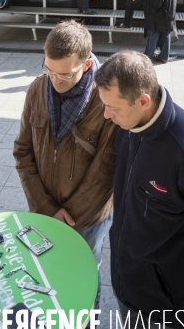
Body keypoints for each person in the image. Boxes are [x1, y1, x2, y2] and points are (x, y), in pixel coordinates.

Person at [95, 50, 184, 329]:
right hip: (130, 286)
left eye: (112, 107)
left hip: (172, 304)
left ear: (143, 101)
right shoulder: (129, 124)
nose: (106, 115)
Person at [14, 20, 117, 309]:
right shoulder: (38, 88)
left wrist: (70, 217)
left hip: (86, 220)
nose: (55, 81)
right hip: (45, 210)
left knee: (85, 278)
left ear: (85, 67)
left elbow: (106, 170)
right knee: (49, 275)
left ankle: (86, 327)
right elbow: (23, 151)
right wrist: (46, 207)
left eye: (65, 75)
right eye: (49, 69)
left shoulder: (105, 99)